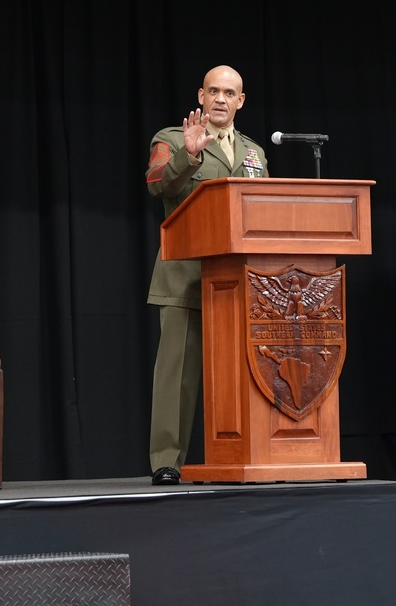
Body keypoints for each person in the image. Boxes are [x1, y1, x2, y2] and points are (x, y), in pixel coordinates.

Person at [145, 65, 269, 485]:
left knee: (241, 375)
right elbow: (157, 183)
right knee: (176, 377)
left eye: (229, 93)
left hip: (240, 282)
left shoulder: (254, 153)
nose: (220, 99)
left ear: (240, 101)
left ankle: (242, 456)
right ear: (200, 96)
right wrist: (190, 155)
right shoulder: (172, 139)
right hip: (185, 278)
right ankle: (167, 461)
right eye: (213, 91)